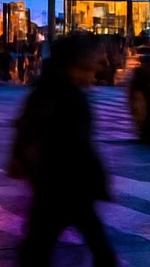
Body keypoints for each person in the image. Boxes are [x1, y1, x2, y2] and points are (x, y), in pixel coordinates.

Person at [11, 32, 115, 266]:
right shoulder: (66, 96)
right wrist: (97, 178)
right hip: (64, 185)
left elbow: (25, 126)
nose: (101, 66)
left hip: (55, 184)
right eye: (94, 62)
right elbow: (76, 144)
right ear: (77, 63)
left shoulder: (49, 90)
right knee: (97, 249)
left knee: (38, 248)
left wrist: (19, 157)